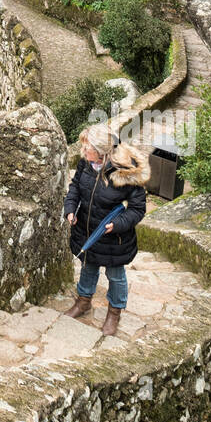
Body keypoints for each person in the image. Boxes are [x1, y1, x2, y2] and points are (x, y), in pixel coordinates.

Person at [63, 129, 149, 335]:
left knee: (116, 275)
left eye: (87, 147)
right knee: (88, 266)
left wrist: (117, 225)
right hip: (87, 229)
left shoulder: (126, 172)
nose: (83, 151)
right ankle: (83, 302)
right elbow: (75, 187)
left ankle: (114, 313)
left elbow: (138, 209)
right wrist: (70, 209)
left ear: (102, 152)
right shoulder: (86, 163)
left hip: (114, 236)